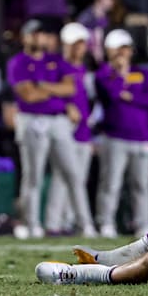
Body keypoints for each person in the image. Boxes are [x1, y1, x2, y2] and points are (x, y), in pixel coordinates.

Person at [8, 19, 91, 239]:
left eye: (41, 34)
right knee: (33, 176)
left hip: (58, 121)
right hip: (31, 120)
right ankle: (32, 224)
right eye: (33, 34)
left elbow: (70, 88)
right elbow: (28, 95)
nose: (38, 38)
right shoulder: (18, 62)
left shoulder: (54, 60)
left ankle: (85, 223)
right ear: (24, 37)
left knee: (73, 173)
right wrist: (54, 92)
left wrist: (43, 87)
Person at [93, 29, 148, 238]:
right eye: (118, 49)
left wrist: (129, 95)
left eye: (125, 49)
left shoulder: (143, 73)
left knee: (142, 184)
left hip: (142, 136)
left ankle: (143, 223)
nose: (122, 53)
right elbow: (112, 95)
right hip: (115, 136)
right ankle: (106, 222)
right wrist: (121, 77)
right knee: (111, 183)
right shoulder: (103, 74)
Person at [44, 22, 97, 236]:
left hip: (83, 131)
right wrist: (65, 106)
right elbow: (46, 95)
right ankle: (61, 223)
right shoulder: (57, 67)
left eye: (81, 44)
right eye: (74, 44)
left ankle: (64, 221)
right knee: (66, 176)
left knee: (74, 178)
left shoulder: (86, 70)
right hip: (64, 128)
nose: (78, 48)